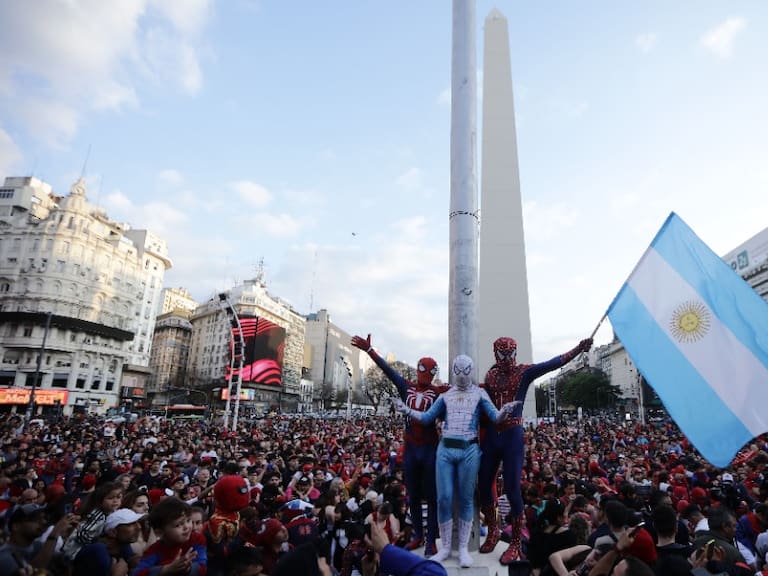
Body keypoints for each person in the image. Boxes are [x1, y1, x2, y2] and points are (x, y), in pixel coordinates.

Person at [394, 354, 518, 567]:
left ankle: (461, 548)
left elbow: (494, 416)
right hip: (445, 450)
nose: (461, 375)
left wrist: (505, 412)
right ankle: (445, 549)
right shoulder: (446, 396)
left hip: (469, 449)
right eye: (457, 371)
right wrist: (405, 409)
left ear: (471, 370)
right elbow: (426, 418)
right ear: (453, 371)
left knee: (466, 499)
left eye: (465, 370)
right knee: (444, 498)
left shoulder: (479, 394)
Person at [478, 336, 593, 565]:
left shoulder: (523, 372)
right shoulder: (490, 376)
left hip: (512, 434)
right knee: (483, 486)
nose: (508, 357)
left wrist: (578, 349)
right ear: (495, 352)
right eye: (503, 353)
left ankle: (516, 543)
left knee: (512, 488)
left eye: (511, 352)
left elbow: (552, 363)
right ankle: (493, 531)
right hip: (493, 435)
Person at [351, 333, 444, 556]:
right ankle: (419, 536)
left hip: (429, 447)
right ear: (418, 370)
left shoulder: (439, 392)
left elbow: (464, 392)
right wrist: (370, 351)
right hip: (412, 447)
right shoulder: (407, 387)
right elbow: (388, 371)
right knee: (412, 494)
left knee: (431, 497)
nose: (425, 375)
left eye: (429, 372)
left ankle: (430, 539)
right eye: (423, 370)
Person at [133, 496, 207, 576]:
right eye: (178, 525)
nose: (186, 527)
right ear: (159, 532)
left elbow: (202, 567)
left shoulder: (196, 539)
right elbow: (137, 573)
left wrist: (188, 568)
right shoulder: (155, 550)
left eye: (188, 520)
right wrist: (166, 569)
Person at [0, 503, 78, 575]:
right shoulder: (4, 558)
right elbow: (34, 570)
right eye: (34, 519)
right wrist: (55, 533)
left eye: (44, 518)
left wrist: (68, 534)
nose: (43, 522)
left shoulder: (38, 546)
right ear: (16, 526)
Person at [72, 508, 143, 575]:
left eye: (137, 522)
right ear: (112, 532)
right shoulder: (98, 551)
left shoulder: (124, 546)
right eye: (130, 524)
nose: (139, 527)